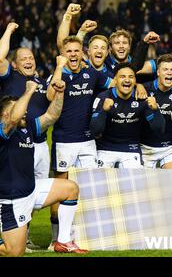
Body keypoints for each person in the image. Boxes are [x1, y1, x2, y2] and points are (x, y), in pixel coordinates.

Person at [0, 79, 88, 256]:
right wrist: (30, 91)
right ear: (4, 115)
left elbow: (51, 116)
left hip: (31, 189)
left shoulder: (27, 128)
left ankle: (63, 241)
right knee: (14, 252)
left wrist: (60, 93)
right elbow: (15, 117)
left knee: (70, 189)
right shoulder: (3, 130)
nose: (24, 112)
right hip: (12, 200)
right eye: (17, 108)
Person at [46, 36, 113, 249]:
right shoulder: (59, 75)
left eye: (76, 51)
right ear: (63, 55)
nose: (73, 54)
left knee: (90, 188)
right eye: (69, 52)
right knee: (60, 190)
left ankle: (86, 235)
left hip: (87, 141)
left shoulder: (91, 74)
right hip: (64, 141)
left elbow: (114, 84)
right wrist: (59, 68)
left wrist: (138, 87)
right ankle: (56, 238)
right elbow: (50, 96)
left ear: (82, 53)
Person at [0, 22, 51, 250]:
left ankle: (24, 234)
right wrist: (9, 31)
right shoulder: (9, 77)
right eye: (24, 59)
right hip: (13, 142)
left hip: (40, 142)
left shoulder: (40, 81)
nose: (29, 61)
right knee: (14, 188)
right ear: (15, 64)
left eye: (31, 57)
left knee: (31, 193)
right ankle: (9, 236)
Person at [90, 62, 165, 168]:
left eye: (131, 77)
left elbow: (159, 130)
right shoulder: (103, 97)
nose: (127, 80)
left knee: (134, 183)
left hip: (131, 149)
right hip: (105, 149)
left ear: (135, 81)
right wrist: (103, 111)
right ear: (115, 80)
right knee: (101, 182)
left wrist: (156, 110)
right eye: (122, 77)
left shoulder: (142, 99)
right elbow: (94, 131)